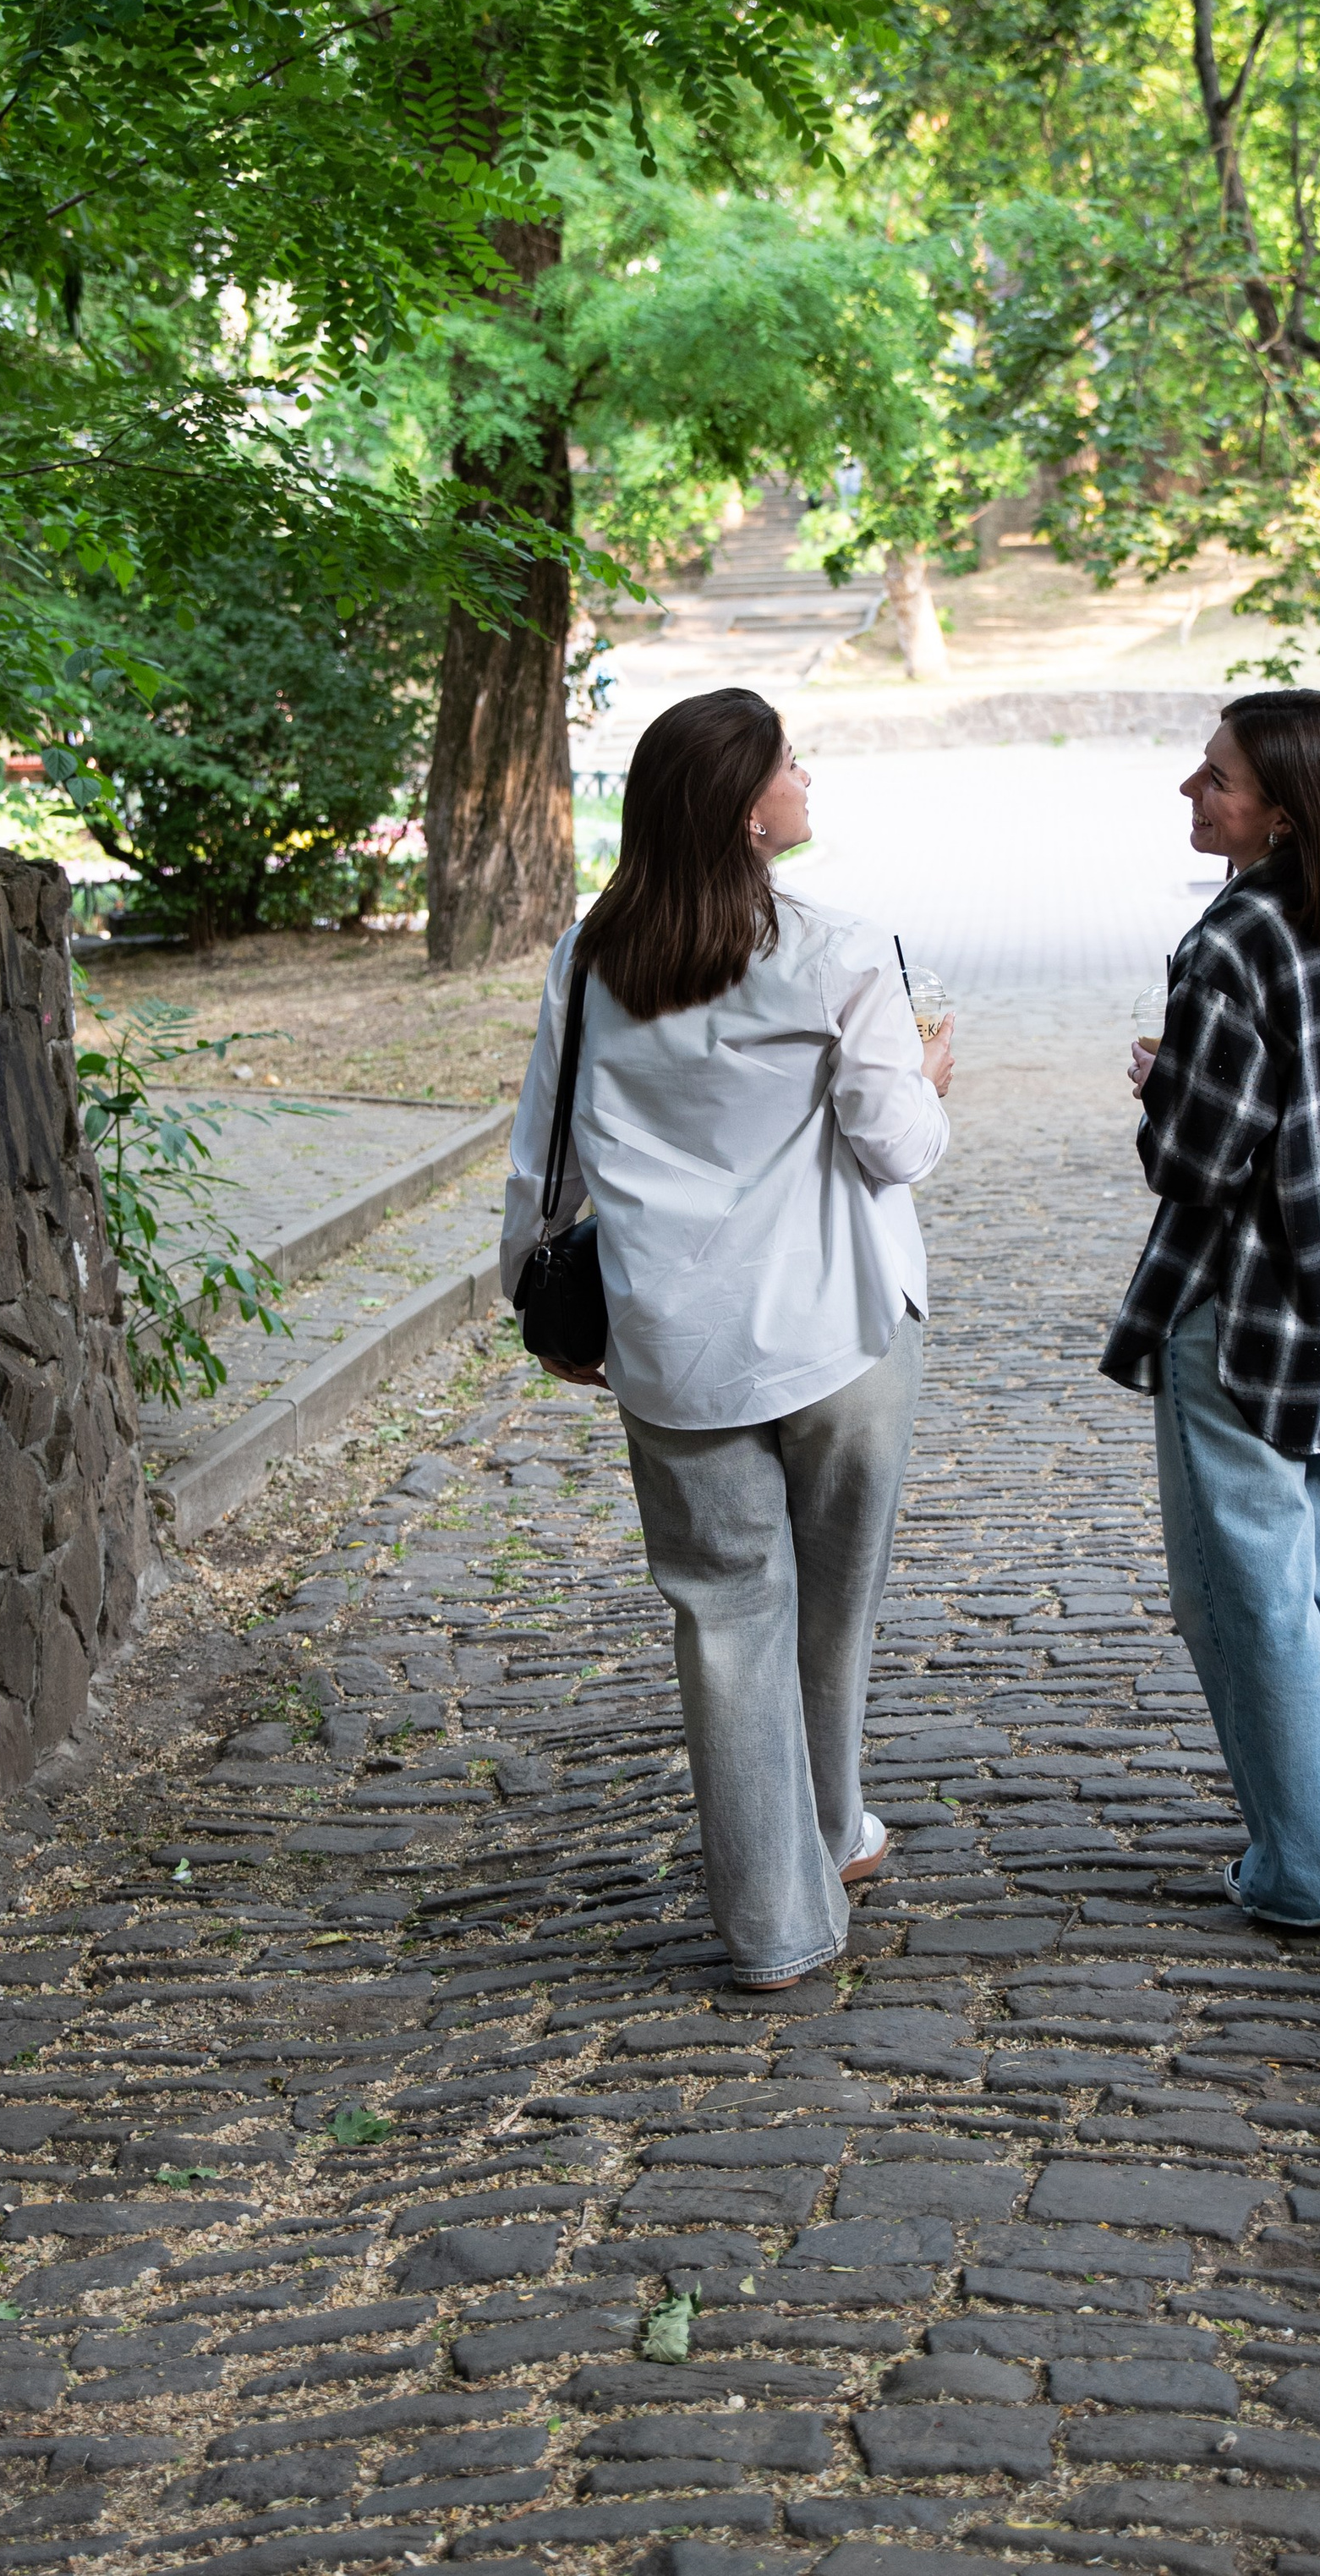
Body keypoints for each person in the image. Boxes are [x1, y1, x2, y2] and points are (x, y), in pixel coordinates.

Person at [501, 687, 955, 1990]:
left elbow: (546, 1154)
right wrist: (926, 1080)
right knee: (832, 1607)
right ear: (750, 810)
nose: (809, 775)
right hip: (843, 1333)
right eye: (791, 762)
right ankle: (833, 1827)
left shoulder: (592, 958)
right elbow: (896, 1147)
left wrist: (535, 1310)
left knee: (725, 1616)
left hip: (674, 1344)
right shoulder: (842, 949)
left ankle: (774, 1923)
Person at [1102, 688, 1320, 1930]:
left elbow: (1196, 1163)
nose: (1192, 795)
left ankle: (1303, 1872)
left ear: (1283, 815)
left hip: (1249, 1308)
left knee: (1247, 1593)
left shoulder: (1233, 942)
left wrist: (1163, 1083)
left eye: (1217, 782)